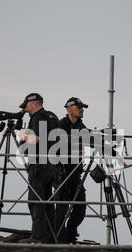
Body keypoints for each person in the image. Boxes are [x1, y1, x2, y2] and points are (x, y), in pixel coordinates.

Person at [17, 93, 59, 243]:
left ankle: (38, 237)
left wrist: (22, 134)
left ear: (33, 104)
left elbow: (37, 139)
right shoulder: (52, 117)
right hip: (51, 164)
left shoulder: (38, 118)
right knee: (47, 201)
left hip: (39, 163)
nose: (26, 110)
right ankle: (49, 236)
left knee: (35, 200)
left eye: (27, 107)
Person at [55, 97, 88, 243]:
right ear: (69, 108)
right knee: (62, 207)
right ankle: (59, 236)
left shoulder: (82, 127)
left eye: (82, 107)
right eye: (79, 107)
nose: (82, 110)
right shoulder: (59, 125)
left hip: (75, 173)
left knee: (80, 207)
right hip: (61, 172)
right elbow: (53, 146)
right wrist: (71, 151)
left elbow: (94, 142)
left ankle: (71, 232)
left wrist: (116, 155)